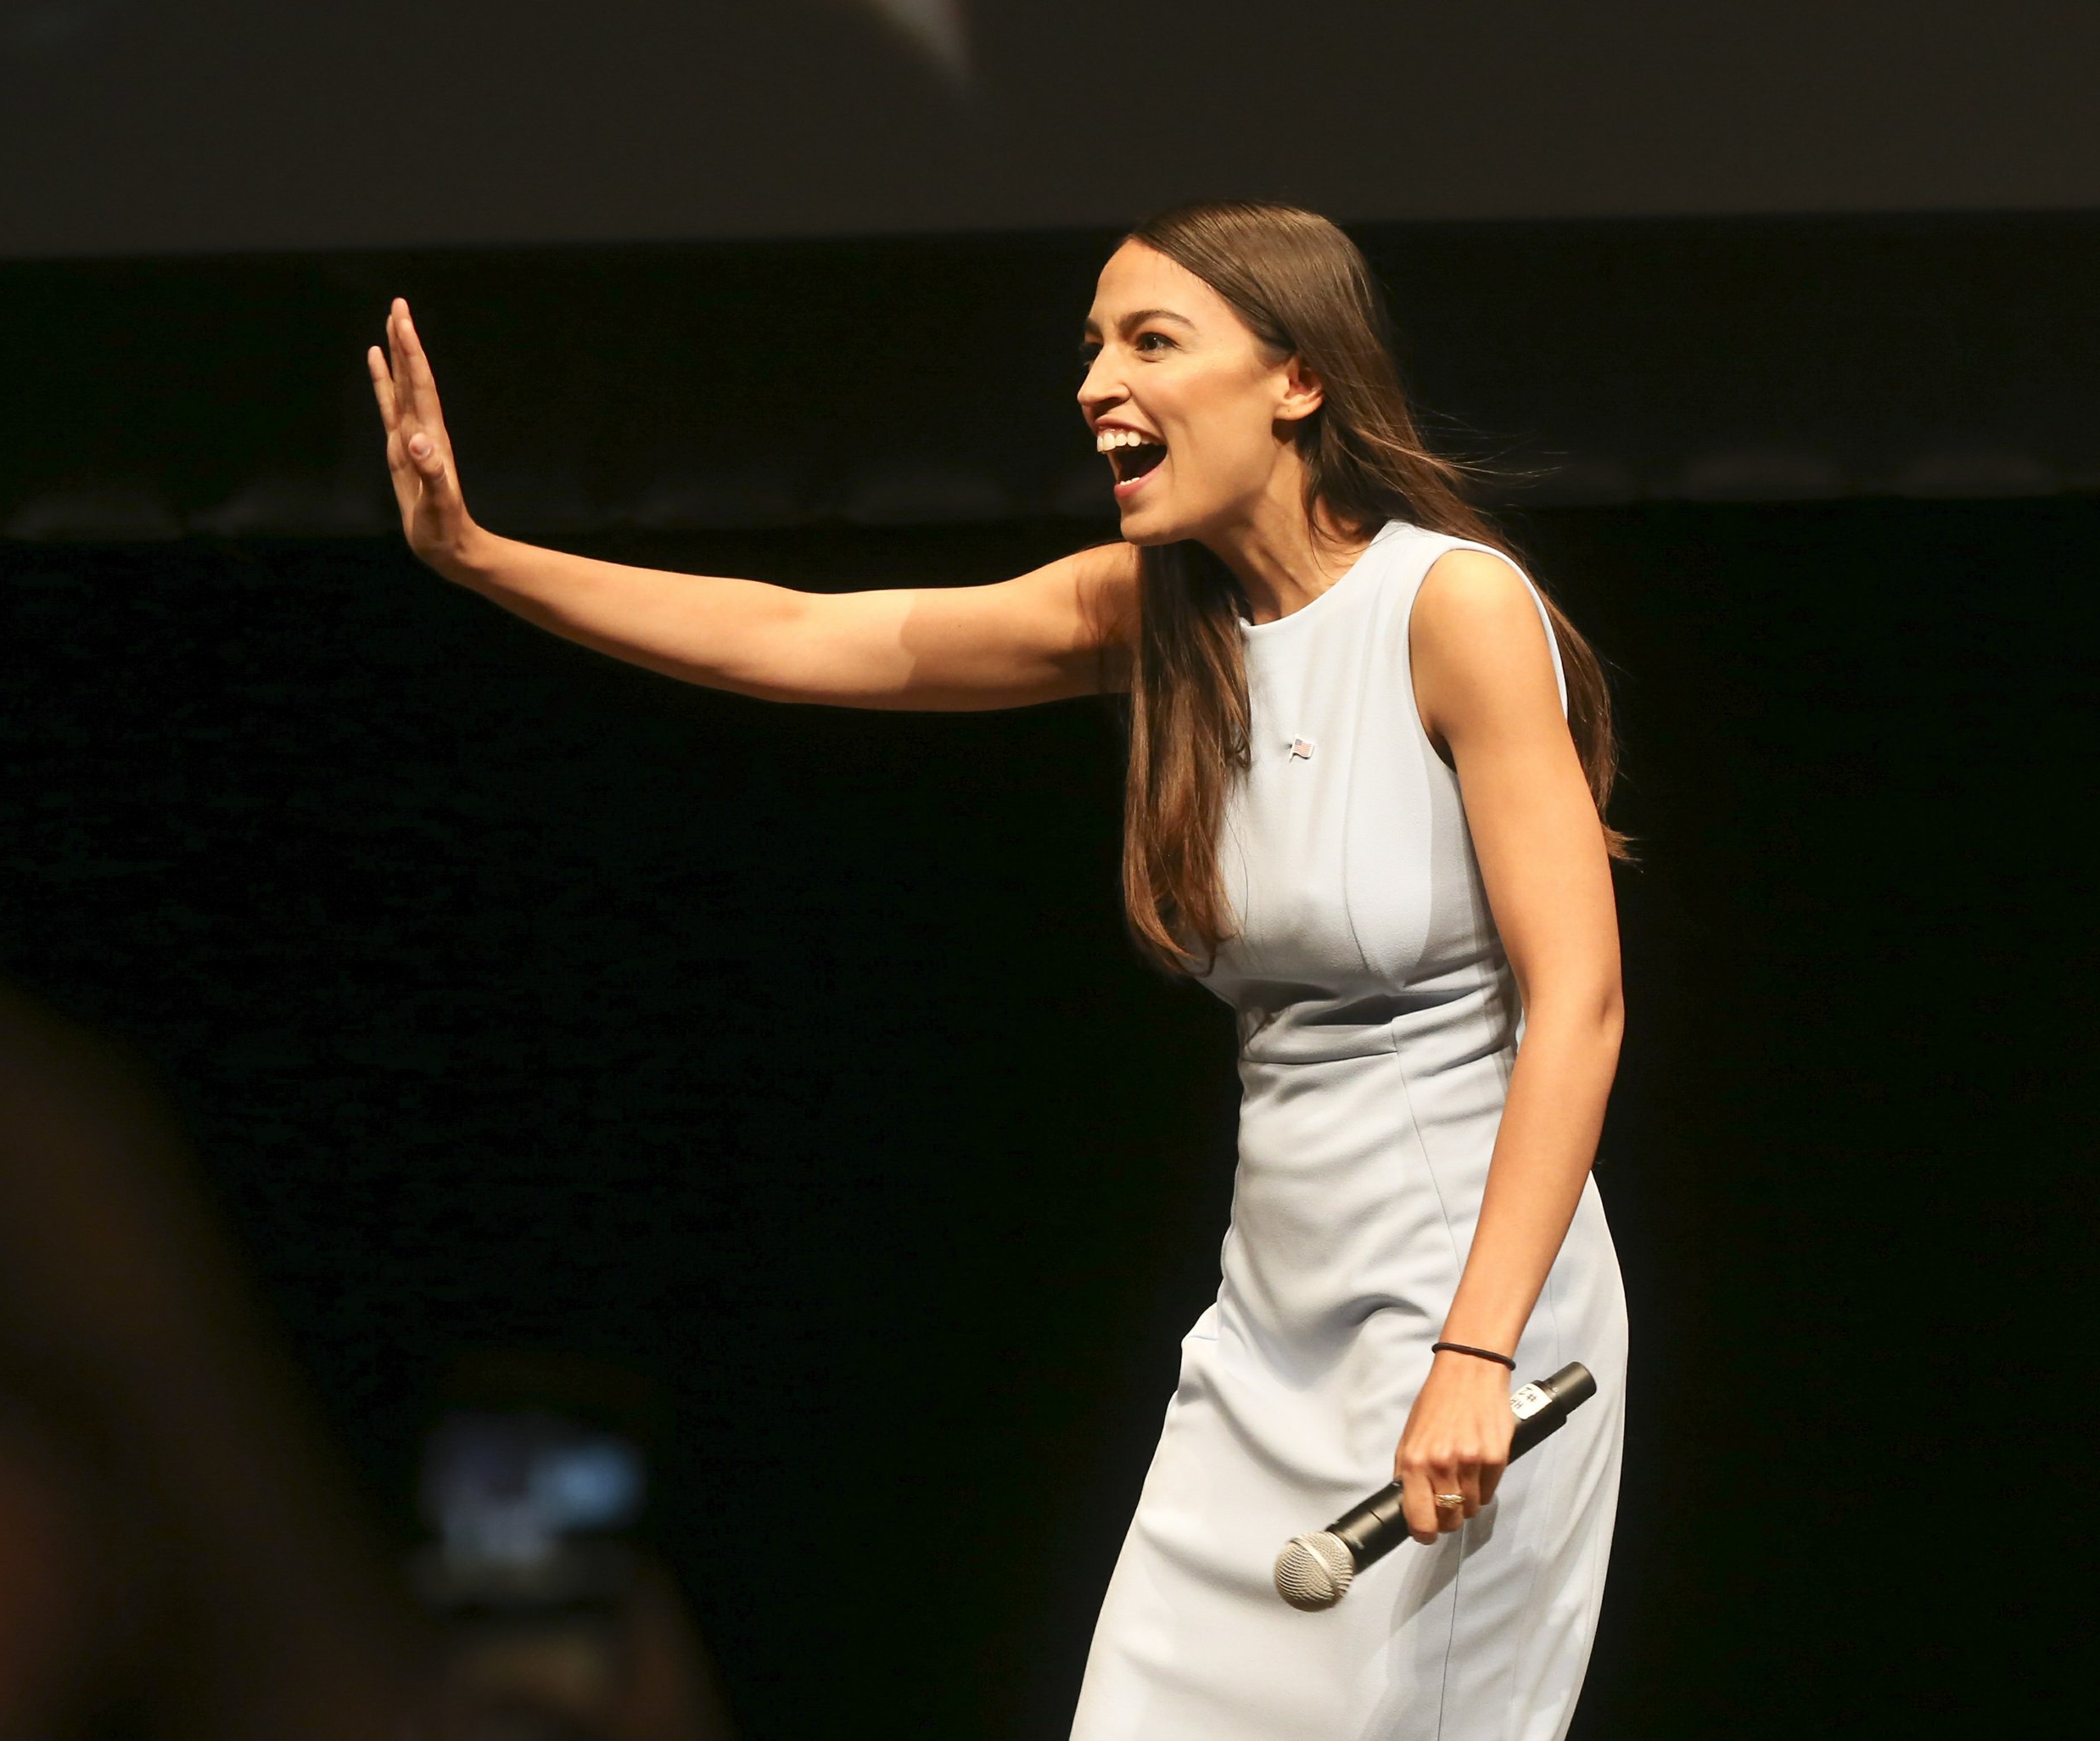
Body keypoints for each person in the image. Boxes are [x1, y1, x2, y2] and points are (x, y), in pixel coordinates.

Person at [367, 200, 1627, 1740]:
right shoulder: (1158, 618)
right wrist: (483, 557)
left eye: (1152, 342)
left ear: (1297, 379)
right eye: (1092, 346)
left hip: (1468, 1316)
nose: (1098, 382)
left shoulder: (1450, 607)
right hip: (1266, 1335)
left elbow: (1580, 1003)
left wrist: (1477, 1352)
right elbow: (807, 633)